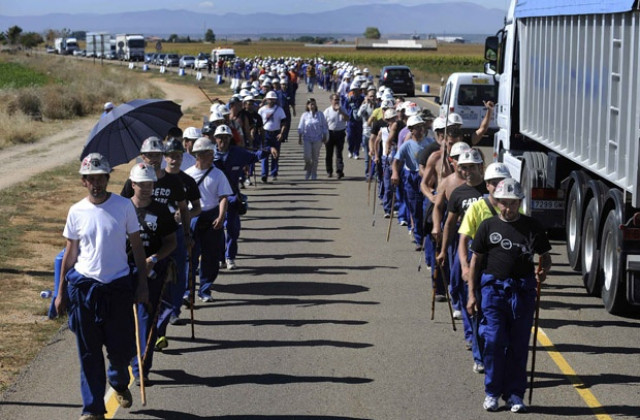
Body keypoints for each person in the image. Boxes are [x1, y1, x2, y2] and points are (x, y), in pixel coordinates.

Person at [54, 153, 149, 420]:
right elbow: (69, 255)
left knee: (122, 351)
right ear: (84, 182)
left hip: (118, 288)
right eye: (90, 179)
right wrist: (61, 293)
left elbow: (137, 247)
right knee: (89, 353)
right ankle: (93, 409)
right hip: (85, 291)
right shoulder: (76, 211)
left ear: (108, 179)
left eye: (100, 178)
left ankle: (118, 381)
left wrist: (142, 284)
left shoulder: (123, 206)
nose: (96, 183)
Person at [467, 178, 552, 413]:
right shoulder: (487, 226)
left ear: (519, 203)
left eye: (513, 203)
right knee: (493, 341)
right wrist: (472, 295)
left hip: (522, 292)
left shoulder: (532, 226)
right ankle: (492, 392)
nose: (509, 208)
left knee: (518, 346)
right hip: (493, 291)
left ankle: (515, 394)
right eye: (504, 203)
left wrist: (544, 270)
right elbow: (476, 261)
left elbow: (545, 256)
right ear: (497, 203)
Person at [457, 162, 512, 374]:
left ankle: (501, 355)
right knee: (480, 315)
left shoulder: (515, 206)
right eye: (492, 182)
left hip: (506, 267)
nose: (497, 186)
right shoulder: (477, 208)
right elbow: (463, 239)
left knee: (504, 317)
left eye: (500, 182)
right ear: (487, 185)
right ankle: (480, 357)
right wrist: (464, 266)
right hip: (479, 266)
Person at [126, 163, 177, 386]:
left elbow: (171, 243)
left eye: (150, 184)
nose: (146, 188)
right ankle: (127, 357)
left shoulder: (161, 211)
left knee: (147, 321)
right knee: (124, 320)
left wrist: (154, 259)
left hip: (152, 271)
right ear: (132, 184)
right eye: (141, 184)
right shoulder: (121, 208)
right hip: (123, 271)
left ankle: (141, 369)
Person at [213, 124, 278, 269]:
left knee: (232, 230)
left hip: (232, 197)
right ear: (215, 139)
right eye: (220, 138)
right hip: (214, 200)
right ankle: (220, 257)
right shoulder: (209, 155)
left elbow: (254, 156)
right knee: (217, 230)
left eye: (226, 137)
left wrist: (268, 150)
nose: (223, 140)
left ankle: (230, 257)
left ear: (230, 138)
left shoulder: (238, 153)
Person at [158, 138, 202, 330]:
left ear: (182, 156)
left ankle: (174, 311)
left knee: (179, 275)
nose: (174, 160)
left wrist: (186, 220)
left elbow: (197, 208)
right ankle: (158, 312)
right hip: (157, 235)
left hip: (178, 232)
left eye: (177, 156)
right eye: (170, 156)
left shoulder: (188, 181)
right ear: (165, 158)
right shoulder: (154, 179)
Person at [185, 137, 233, 302]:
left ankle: (205, 289)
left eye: (212, 153)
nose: (212, 156)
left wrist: (221, 216)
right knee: (190, 256)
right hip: (193, 218)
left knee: (211, 257)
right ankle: (187, 290)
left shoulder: (218, 174)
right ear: (199, 155)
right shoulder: (188, 175)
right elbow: (182, 201)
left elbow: (223, 198)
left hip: (212, 218)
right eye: (208, 153)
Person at [391, 115, 434, 249]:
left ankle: (428, 237)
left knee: (426, 208)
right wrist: (395, 173)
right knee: (415, 209)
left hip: (427, 177)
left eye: (422, 127)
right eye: (417, 128)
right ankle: (419, 239)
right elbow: (396, 161)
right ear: (411, 130)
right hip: (411, 177)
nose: (421, 130)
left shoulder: (430, 143)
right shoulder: (407, 145)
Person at [257, 91, 287, 183]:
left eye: (273, 99)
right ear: (266, 99)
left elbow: (284, 123)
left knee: (275, 154)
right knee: (264, 154)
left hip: (276, 133)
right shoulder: (261, 110)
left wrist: (281, 133)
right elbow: (258, 123)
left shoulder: (279, 110)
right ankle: (264, 174)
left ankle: (274, 173)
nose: (271, 101)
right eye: (270, 99)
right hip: (265, 133)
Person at [298, 98, 329, 180]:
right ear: (307, 106)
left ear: (316, 105)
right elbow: (301, 127)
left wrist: (325, 135)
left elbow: (324, 126)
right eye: (310, 104)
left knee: (315, 157)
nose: (312, 106)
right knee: (307, 156)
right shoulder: (304, 115)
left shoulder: (320, 114)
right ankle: (308, 170)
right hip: (307, 138)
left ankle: (314, 173)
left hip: (317, 138)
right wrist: (299, 137)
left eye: (313, 104)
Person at [323, 93, 349, 179]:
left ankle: (339, 171)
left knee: (339, 153)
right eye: (335, 100)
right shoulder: (327, 111)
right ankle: (329, 171)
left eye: (338, 100)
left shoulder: (343, 109)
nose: (337, 101)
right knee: (329, 154)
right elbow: (323, 124)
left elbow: (347, 119)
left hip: (340, 133)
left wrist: (340, 111)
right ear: (331, 101)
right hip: (330, 133)